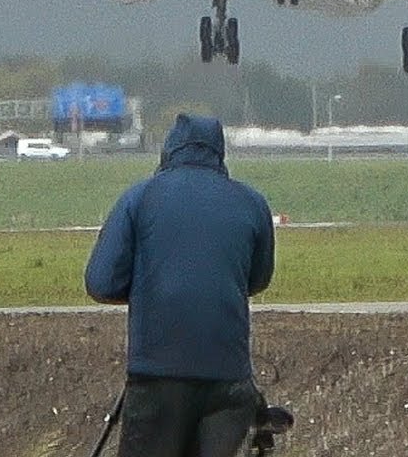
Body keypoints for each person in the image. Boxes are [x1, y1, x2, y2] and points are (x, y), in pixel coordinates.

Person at [85, 114, 276, 457]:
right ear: (220, 153)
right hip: (230, 379)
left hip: (158, 375)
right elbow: (258, 280)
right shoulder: (252, 203)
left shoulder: (139, 199)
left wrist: (148, 289)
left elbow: (101, 282)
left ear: (168, 149)